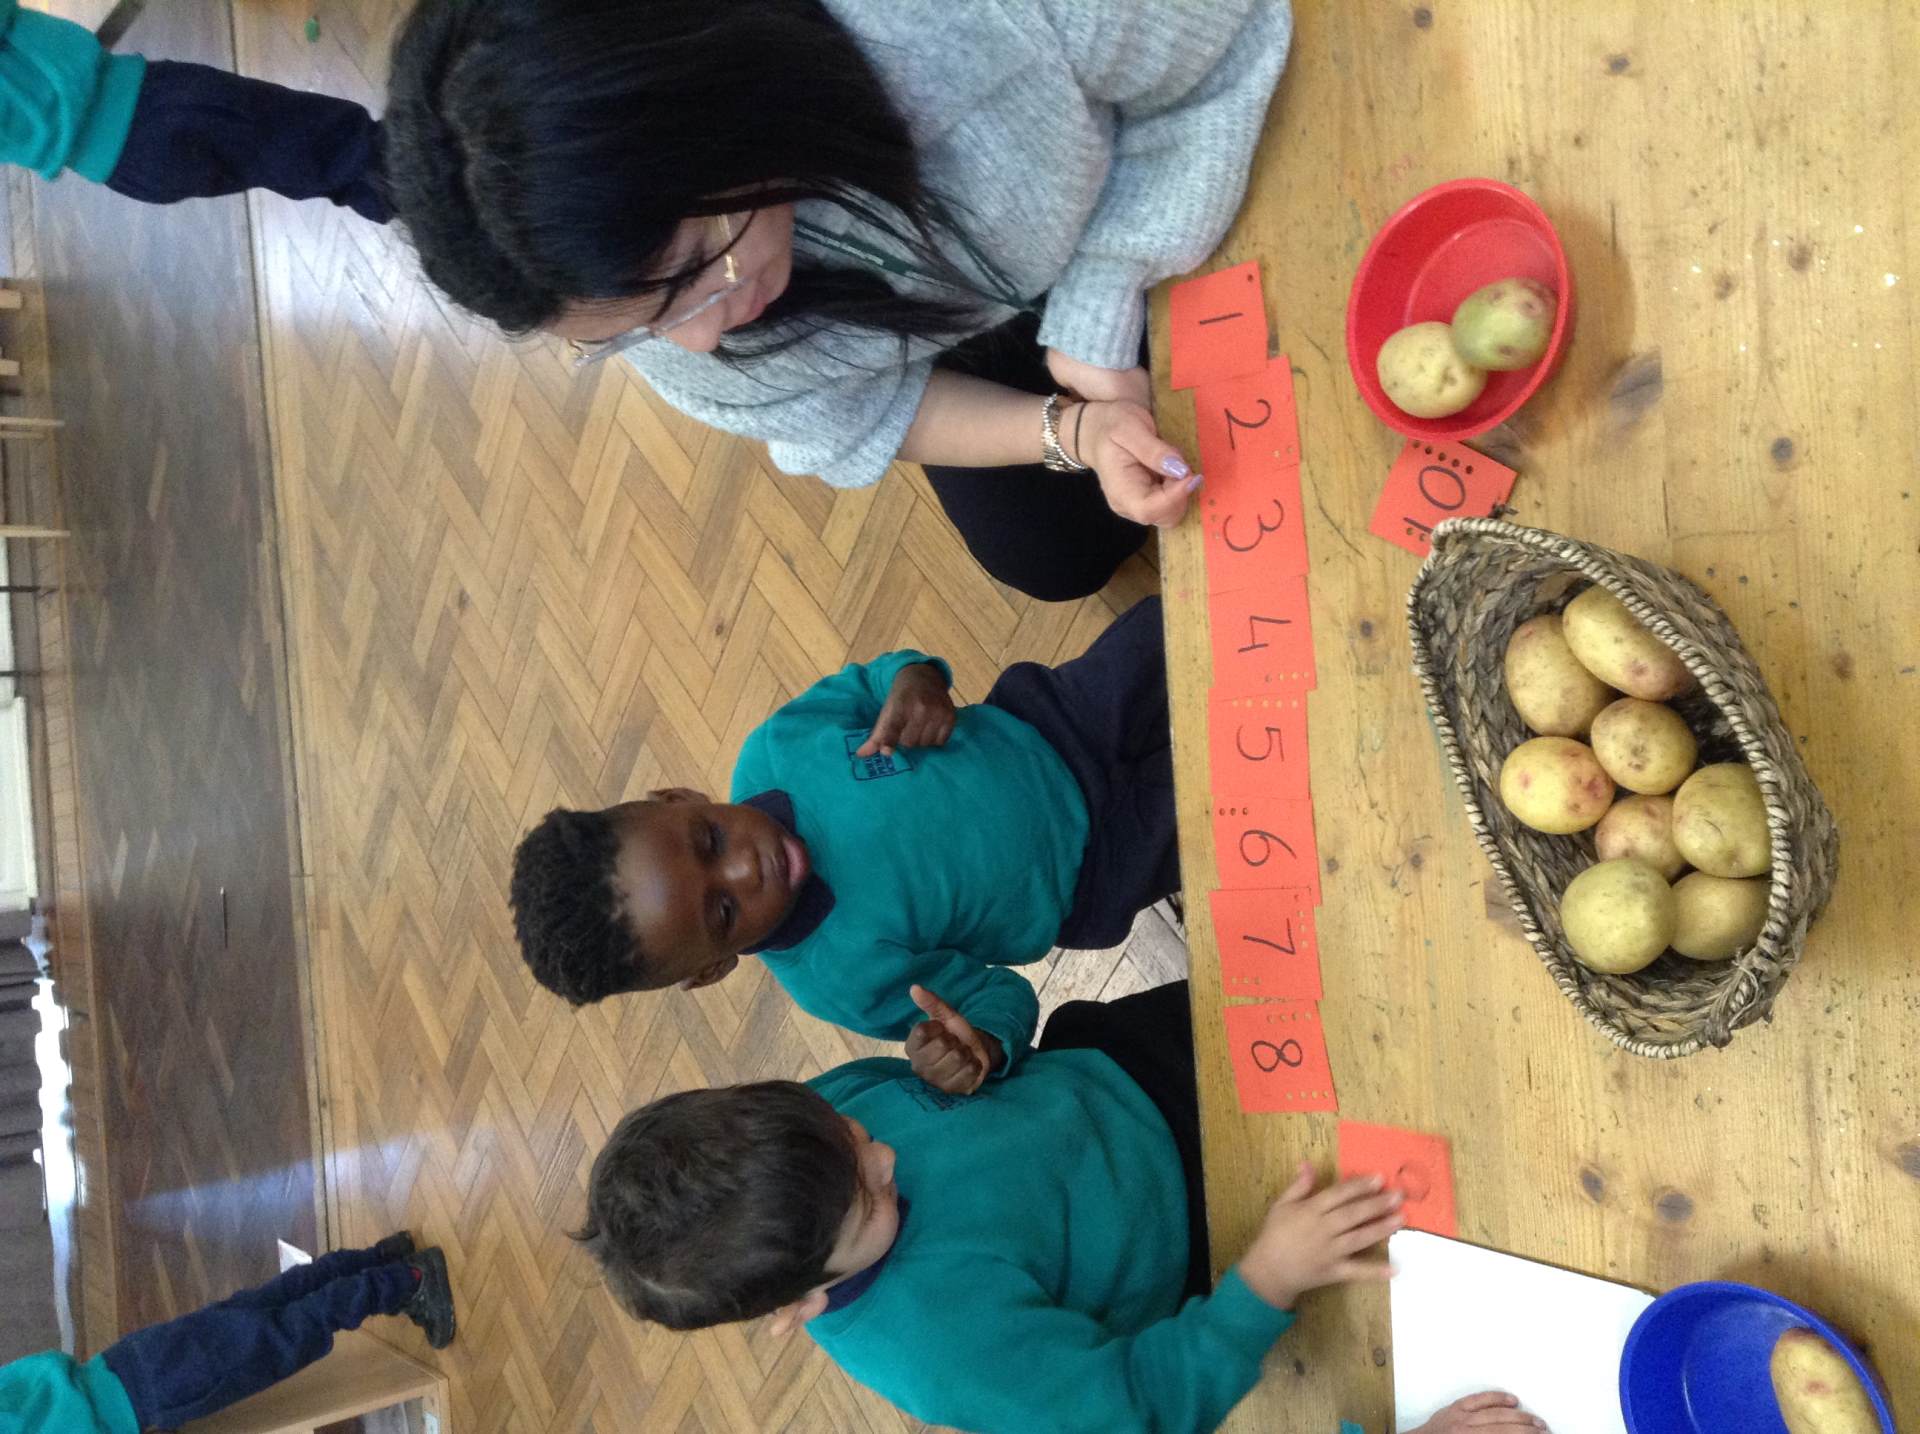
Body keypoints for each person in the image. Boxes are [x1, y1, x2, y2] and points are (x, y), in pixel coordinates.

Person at [7, 0, 1293, 602]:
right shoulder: (653, 312)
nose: (703, 340)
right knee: (1049, 556)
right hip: (986, 309)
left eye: (691, 275)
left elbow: (1229, 46)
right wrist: (1070, 427)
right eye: (629, 333)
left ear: (711, 105)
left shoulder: (962, 28)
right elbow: (852, 411)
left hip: (1110, 181)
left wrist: (1102, 299)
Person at [575, 981, 1546, 1434]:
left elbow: (986, 1021)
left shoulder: (816, 1139)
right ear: (803, 1304)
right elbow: (1144, 1407)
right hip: (1215, 1234)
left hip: (1132, 1058)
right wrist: (1266, 1279)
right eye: (870, 1193)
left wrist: (985, 1039)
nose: (884, 1150)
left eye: (849, 1130)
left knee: (1386, 1000)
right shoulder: (948, 1356)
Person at [510, 595, 1174, 1092]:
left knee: (1184, 620)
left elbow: (872, 683)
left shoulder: (777, 748)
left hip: (1056, 716)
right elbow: (994, 1000)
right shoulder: (842, 983)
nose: (746, 868)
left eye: (710, 840)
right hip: (1101, 870)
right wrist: (979, 1047)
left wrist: (913, 678)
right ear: (712, 969)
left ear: (678, 797)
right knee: (1226, 786)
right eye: (723, 911)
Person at [0, 1236, 455, 1433]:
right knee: (269, 1305)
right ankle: (380, 1259)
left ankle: (411, 1281)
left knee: (284, 1336)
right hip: (123, 1364)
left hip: (149, 1397)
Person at [0, 0, 388, 220]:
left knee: (292, 159)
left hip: (129, 172)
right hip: (154, 110)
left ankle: (394, 190)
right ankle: (413, 176)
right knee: (325, 141)